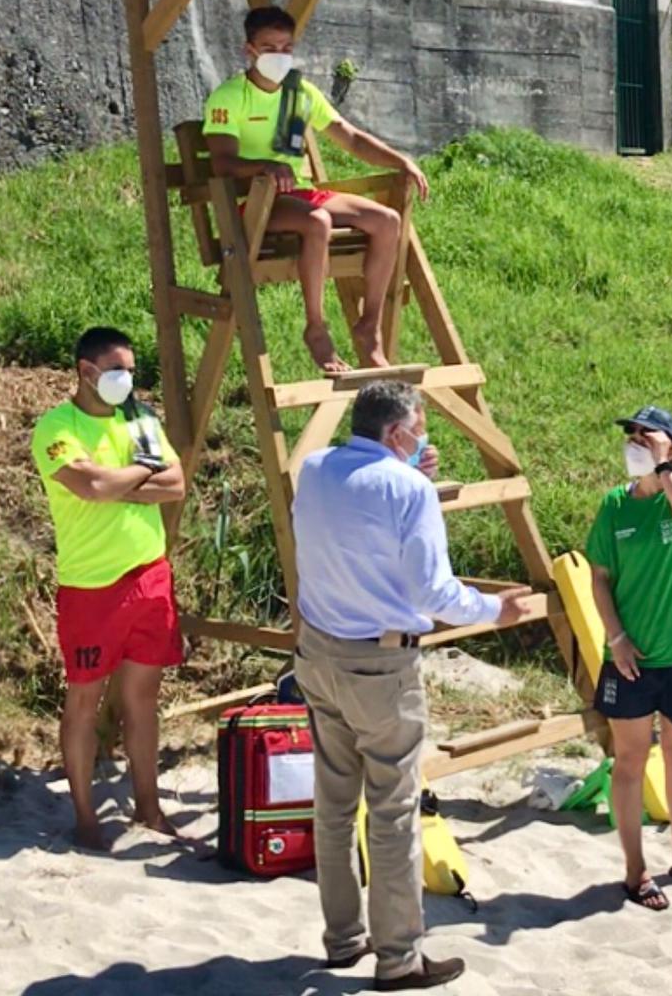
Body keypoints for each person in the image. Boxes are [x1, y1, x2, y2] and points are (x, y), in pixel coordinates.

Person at [290, 381, 530, 990]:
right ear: (398, 432)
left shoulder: (314, 468)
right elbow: (434, 593)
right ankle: (399, 958)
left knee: (335, 802)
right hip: (380, 665)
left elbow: (358, 511)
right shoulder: (409, 488)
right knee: (393, 814)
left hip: (318, 651)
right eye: (418, 428)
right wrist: (492, 610)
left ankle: (343, 936)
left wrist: (407, 472)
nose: (424, 437)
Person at [203, 5, 431, 375]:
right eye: (269, 47)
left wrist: (400, 160)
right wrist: (264, 167)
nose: (279, 56)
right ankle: (316, 328)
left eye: (286, 47)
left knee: (387, 220)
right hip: (254, 204)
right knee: (318, 222)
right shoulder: (229, 97)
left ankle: (368, 327)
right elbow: (222, 163)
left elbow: (352, 139)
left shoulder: (300, 93)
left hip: (300, 194)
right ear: (250, 50)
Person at [30, 326, 187, 851]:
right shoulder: (58, 426)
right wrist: (137, 476)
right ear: (87, 371)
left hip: (148, 573)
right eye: (117, 369)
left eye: (131, 370)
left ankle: (149, 808)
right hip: (90, 584)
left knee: (143, 698)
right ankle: (85, 817)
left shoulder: (139, 417)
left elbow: (176, 483)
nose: (127, 379)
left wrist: (121, 479)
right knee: (85, 700)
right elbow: (88, 485)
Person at [585, 404, 672, 912]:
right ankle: (635, 870)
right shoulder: (615, 506)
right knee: (630, 761)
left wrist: (667, 472)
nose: (635, 443)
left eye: (647, 437)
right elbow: (599, 577)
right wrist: (616, 637)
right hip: (631, 658)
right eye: (631, 436)